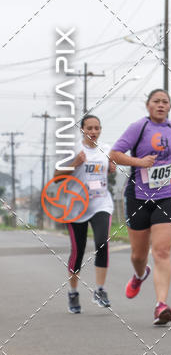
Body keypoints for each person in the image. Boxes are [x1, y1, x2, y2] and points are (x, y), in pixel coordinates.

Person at [109, 89, 171, 325]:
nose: (161, 105)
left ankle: (161, 305)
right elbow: (115, 154)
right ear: (148, 106)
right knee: (138, 254)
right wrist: (139, 162)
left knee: (162, 251)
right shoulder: (139, 127)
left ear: (169, 106)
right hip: (137, 196)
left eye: (165, 102)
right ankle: (139, 274)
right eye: (156, 101)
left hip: (168, 195)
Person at [55, 114, 115, 314]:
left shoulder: (106, 150)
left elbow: (106, 172)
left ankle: (100, 290)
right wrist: (74, 163)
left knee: (102, 243)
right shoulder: (73, 150)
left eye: (97, 128)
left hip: (100, 204)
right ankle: (73, 293)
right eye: (89, 128)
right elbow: (56, 177)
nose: (93, 132)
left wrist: (112, 168)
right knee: (78, 251)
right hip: (76, 207)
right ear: (82, 130)